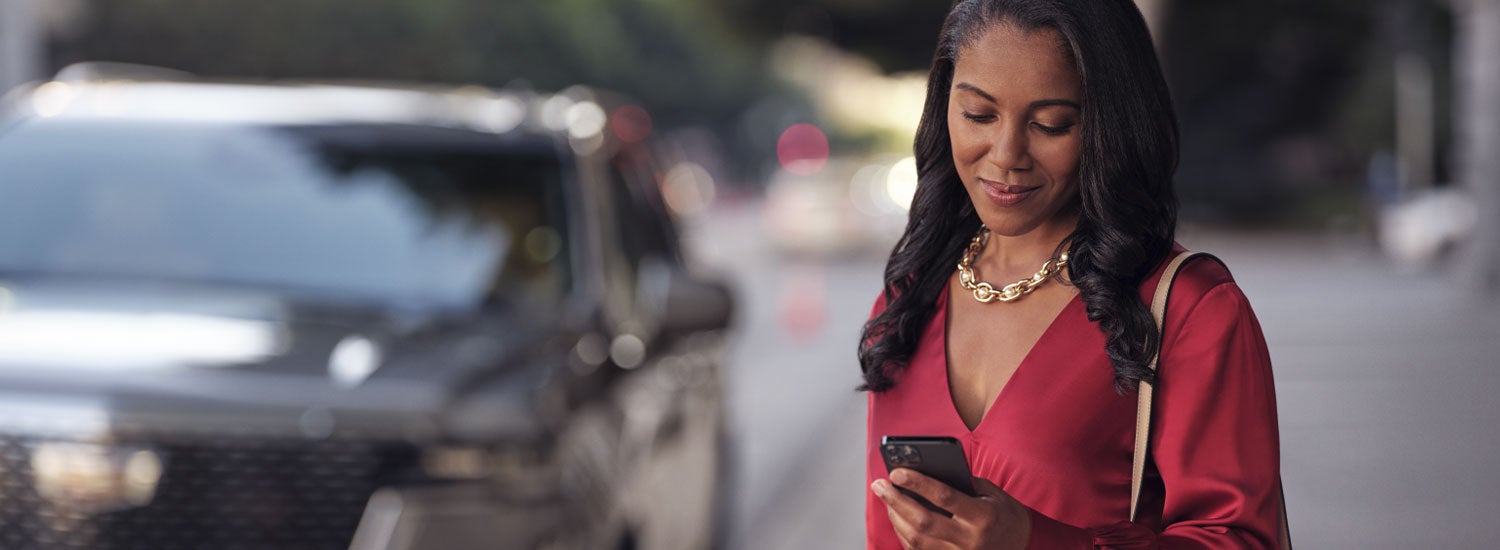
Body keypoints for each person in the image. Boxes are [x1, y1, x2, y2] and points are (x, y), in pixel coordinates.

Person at [859, 0, 1283, 548]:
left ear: (1110, 125)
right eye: (979, 115)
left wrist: (1032, 541)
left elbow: (1238, 538)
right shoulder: (907, 301)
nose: (1007, 155)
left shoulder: (1189, 309)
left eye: (1051, 125)